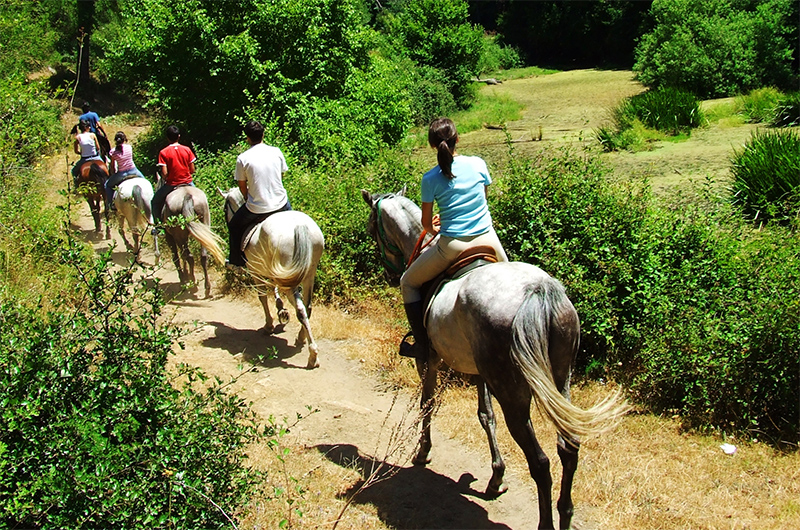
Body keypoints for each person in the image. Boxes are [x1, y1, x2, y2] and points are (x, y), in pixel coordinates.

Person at [399, 117, 508, 360]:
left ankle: (422, 346)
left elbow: (426, 225)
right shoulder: (478, 164)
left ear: (432, 145)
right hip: (488, 239)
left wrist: (436, 226)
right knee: (512, 281)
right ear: (457, 138)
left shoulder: (430, 179)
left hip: (453, 245)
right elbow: (483, 200)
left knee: (408, 283)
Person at [227, 120, 291, 268]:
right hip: (281, 203)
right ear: (263, 135)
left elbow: (242, 186)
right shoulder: (276, 151)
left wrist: (247, 197)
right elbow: (281, 176)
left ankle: (237, 262)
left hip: (257, 208)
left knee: (234, 225)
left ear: (247, 138)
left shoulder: (242, 158)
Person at [151, 125, 196, 223]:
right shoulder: (187, 149)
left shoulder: (163, 152)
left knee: (155, 202)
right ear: (179, 136)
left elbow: (164, 174)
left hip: (172, 184)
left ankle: (158, 226)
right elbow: (192, 170)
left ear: (167, 137)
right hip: (188, 182)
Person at [105, 131, 145, 210]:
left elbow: (112, 167)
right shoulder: (129, 147)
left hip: (121, 174)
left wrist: (113, 173)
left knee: (107, 185)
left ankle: (111, 204)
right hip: (133, 170)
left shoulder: (112, 152)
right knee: (145, 181)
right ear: (125, 139)